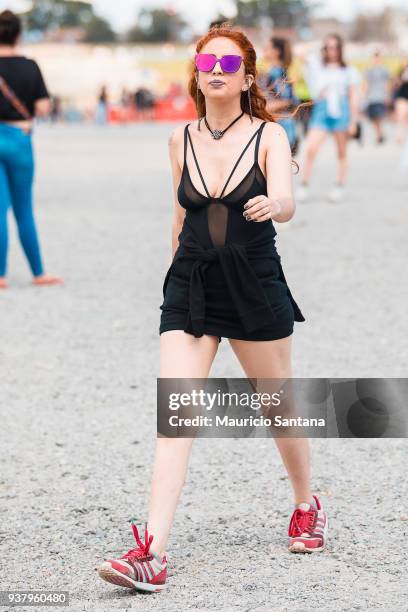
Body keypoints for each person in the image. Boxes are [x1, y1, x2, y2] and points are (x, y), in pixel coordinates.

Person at [97, 23, 328, 594]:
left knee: (278, 407)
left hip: (253, 283)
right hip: (192, 285)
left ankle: (306, 502)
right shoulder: (179, 139)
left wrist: (274, 203)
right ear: (198, 75)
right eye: (208, 63)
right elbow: (178, 217)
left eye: (229, 64)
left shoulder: (268, 137)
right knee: (175, 417)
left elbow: (289, 200)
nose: (217, 71)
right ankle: (150, 550)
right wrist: (175, 275)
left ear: (247, 77)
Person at [0, 9, 62, 289]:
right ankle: (38, 272)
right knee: (24, 209)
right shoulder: (30, 66)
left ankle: (0, 276)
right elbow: (43, 106)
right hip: (20, 138)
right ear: (19, 34)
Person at [297, 33, 361, 203]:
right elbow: (300, 53)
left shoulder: (348, 71)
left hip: (341, 110)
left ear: (340, 49)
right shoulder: (318, 66)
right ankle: (304, 184)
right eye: (327, 47)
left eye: (334, 47)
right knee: (311, 148)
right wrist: (315, 47)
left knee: (341, 151)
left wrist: (353, 121)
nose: (331, 50)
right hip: (322, 109)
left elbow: (354, 96)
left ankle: (339, 184)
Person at [262, 36, 299, 154]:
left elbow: (288, 100)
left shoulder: (277, 73)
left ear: (276, 52)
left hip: (281, 127)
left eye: (267, 48)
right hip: (276, 126)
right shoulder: (273, 71)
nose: (264, 50)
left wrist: (260, 109)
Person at [363, 50, 391, 144]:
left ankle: (380, 134)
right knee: (373, 118)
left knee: (379, 116)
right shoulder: (369, 70)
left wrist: (387, 95)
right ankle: (379, 133)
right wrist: (364, 95)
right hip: (371, 97)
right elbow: (366, 83)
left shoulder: (384, 70)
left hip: (380, 96)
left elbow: (387, 84)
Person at [394, 60, 408, 145]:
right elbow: (396, 84)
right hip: (402, 97)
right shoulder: (401, 72)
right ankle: (399, 136)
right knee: (401, 118)